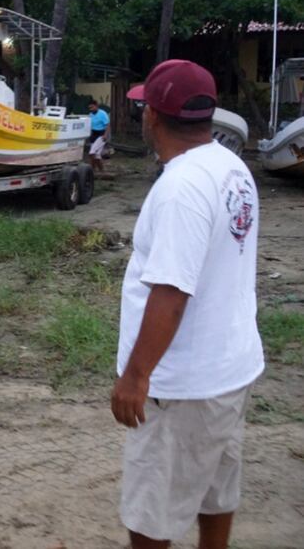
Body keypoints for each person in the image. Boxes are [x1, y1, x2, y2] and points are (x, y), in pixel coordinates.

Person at [112, 60, 264, 549]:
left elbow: (171, 291)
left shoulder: (180, 188)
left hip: (182, 385)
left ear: (152, 116)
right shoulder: (231, 167)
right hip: (229, 369)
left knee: (152, 515)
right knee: (216, 489)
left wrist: (136, 376)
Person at [87, 99, 110, 173]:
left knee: (92, 152)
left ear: (96, 106)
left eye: (92, 107)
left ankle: (92, 169)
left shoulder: (102, 114)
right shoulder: (90, 115)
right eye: (89, 108)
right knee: (97, 155)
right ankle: (100, 170)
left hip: (101, 134)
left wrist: (105, 135)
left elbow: (107, 125)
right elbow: (90, 126)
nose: (91, 109)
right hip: (94, 135)